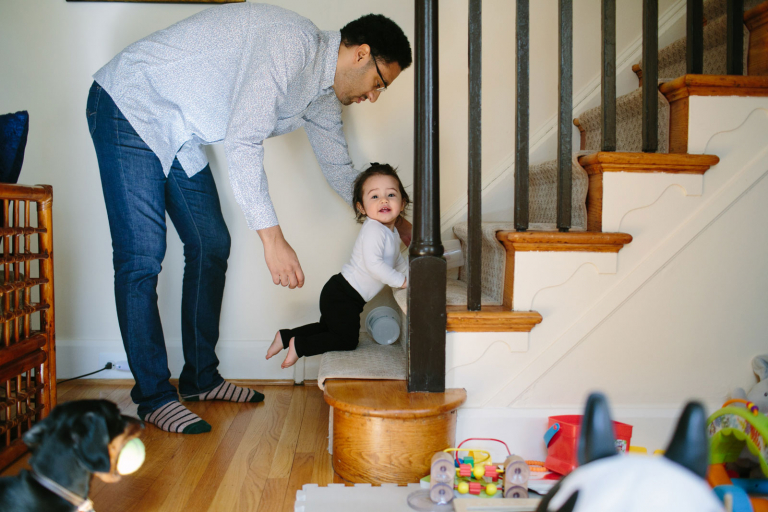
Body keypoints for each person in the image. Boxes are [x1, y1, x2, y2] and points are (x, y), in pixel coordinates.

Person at [86, 3, 412, 434]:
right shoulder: (292, 43)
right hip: (131, 104)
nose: (372, 97)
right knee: (142, 255)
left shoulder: (321, 98)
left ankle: (201, 377)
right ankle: (153, 395)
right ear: (361, 53)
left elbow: (342, 172)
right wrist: (272, 239)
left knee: (211, 244)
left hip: (181, 133)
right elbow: (242, 140)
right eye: (378, 83)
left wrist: (400, 219)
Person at [267, 163, 409, 368]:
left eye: (391, 195)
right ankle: (300, 346)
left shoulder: (392, 233)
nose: (384, 200)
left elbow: (396, 261)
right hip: (343, 296)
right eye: (375, 196)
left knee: (326, 329)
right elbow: (374, 266)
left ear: (402, 203)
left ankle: (285, 336)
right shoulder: (374, 230)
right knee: (346, 340)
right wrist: (401, 281)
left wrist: (409, 278)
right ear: (361, 207)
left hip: (341, 294)